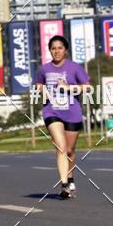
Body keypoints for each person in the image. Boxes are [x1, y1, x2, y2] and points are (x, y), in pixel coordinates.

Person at [34, 35, 91, 199]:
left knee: (70, 151)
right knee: (61, 147)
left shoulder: (75, 68)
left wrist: (69, 88)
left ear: (65, 50)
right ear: (50, 50)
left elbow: (87, 88)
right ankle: (65, 185)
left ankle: (70, 176)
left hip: (72, 112)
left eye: (59, 48)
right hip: (52, 112)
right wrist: (41, 91)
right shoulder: (44, 69)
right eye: (53, 48)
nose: (56, 51)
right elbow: (38, 84)